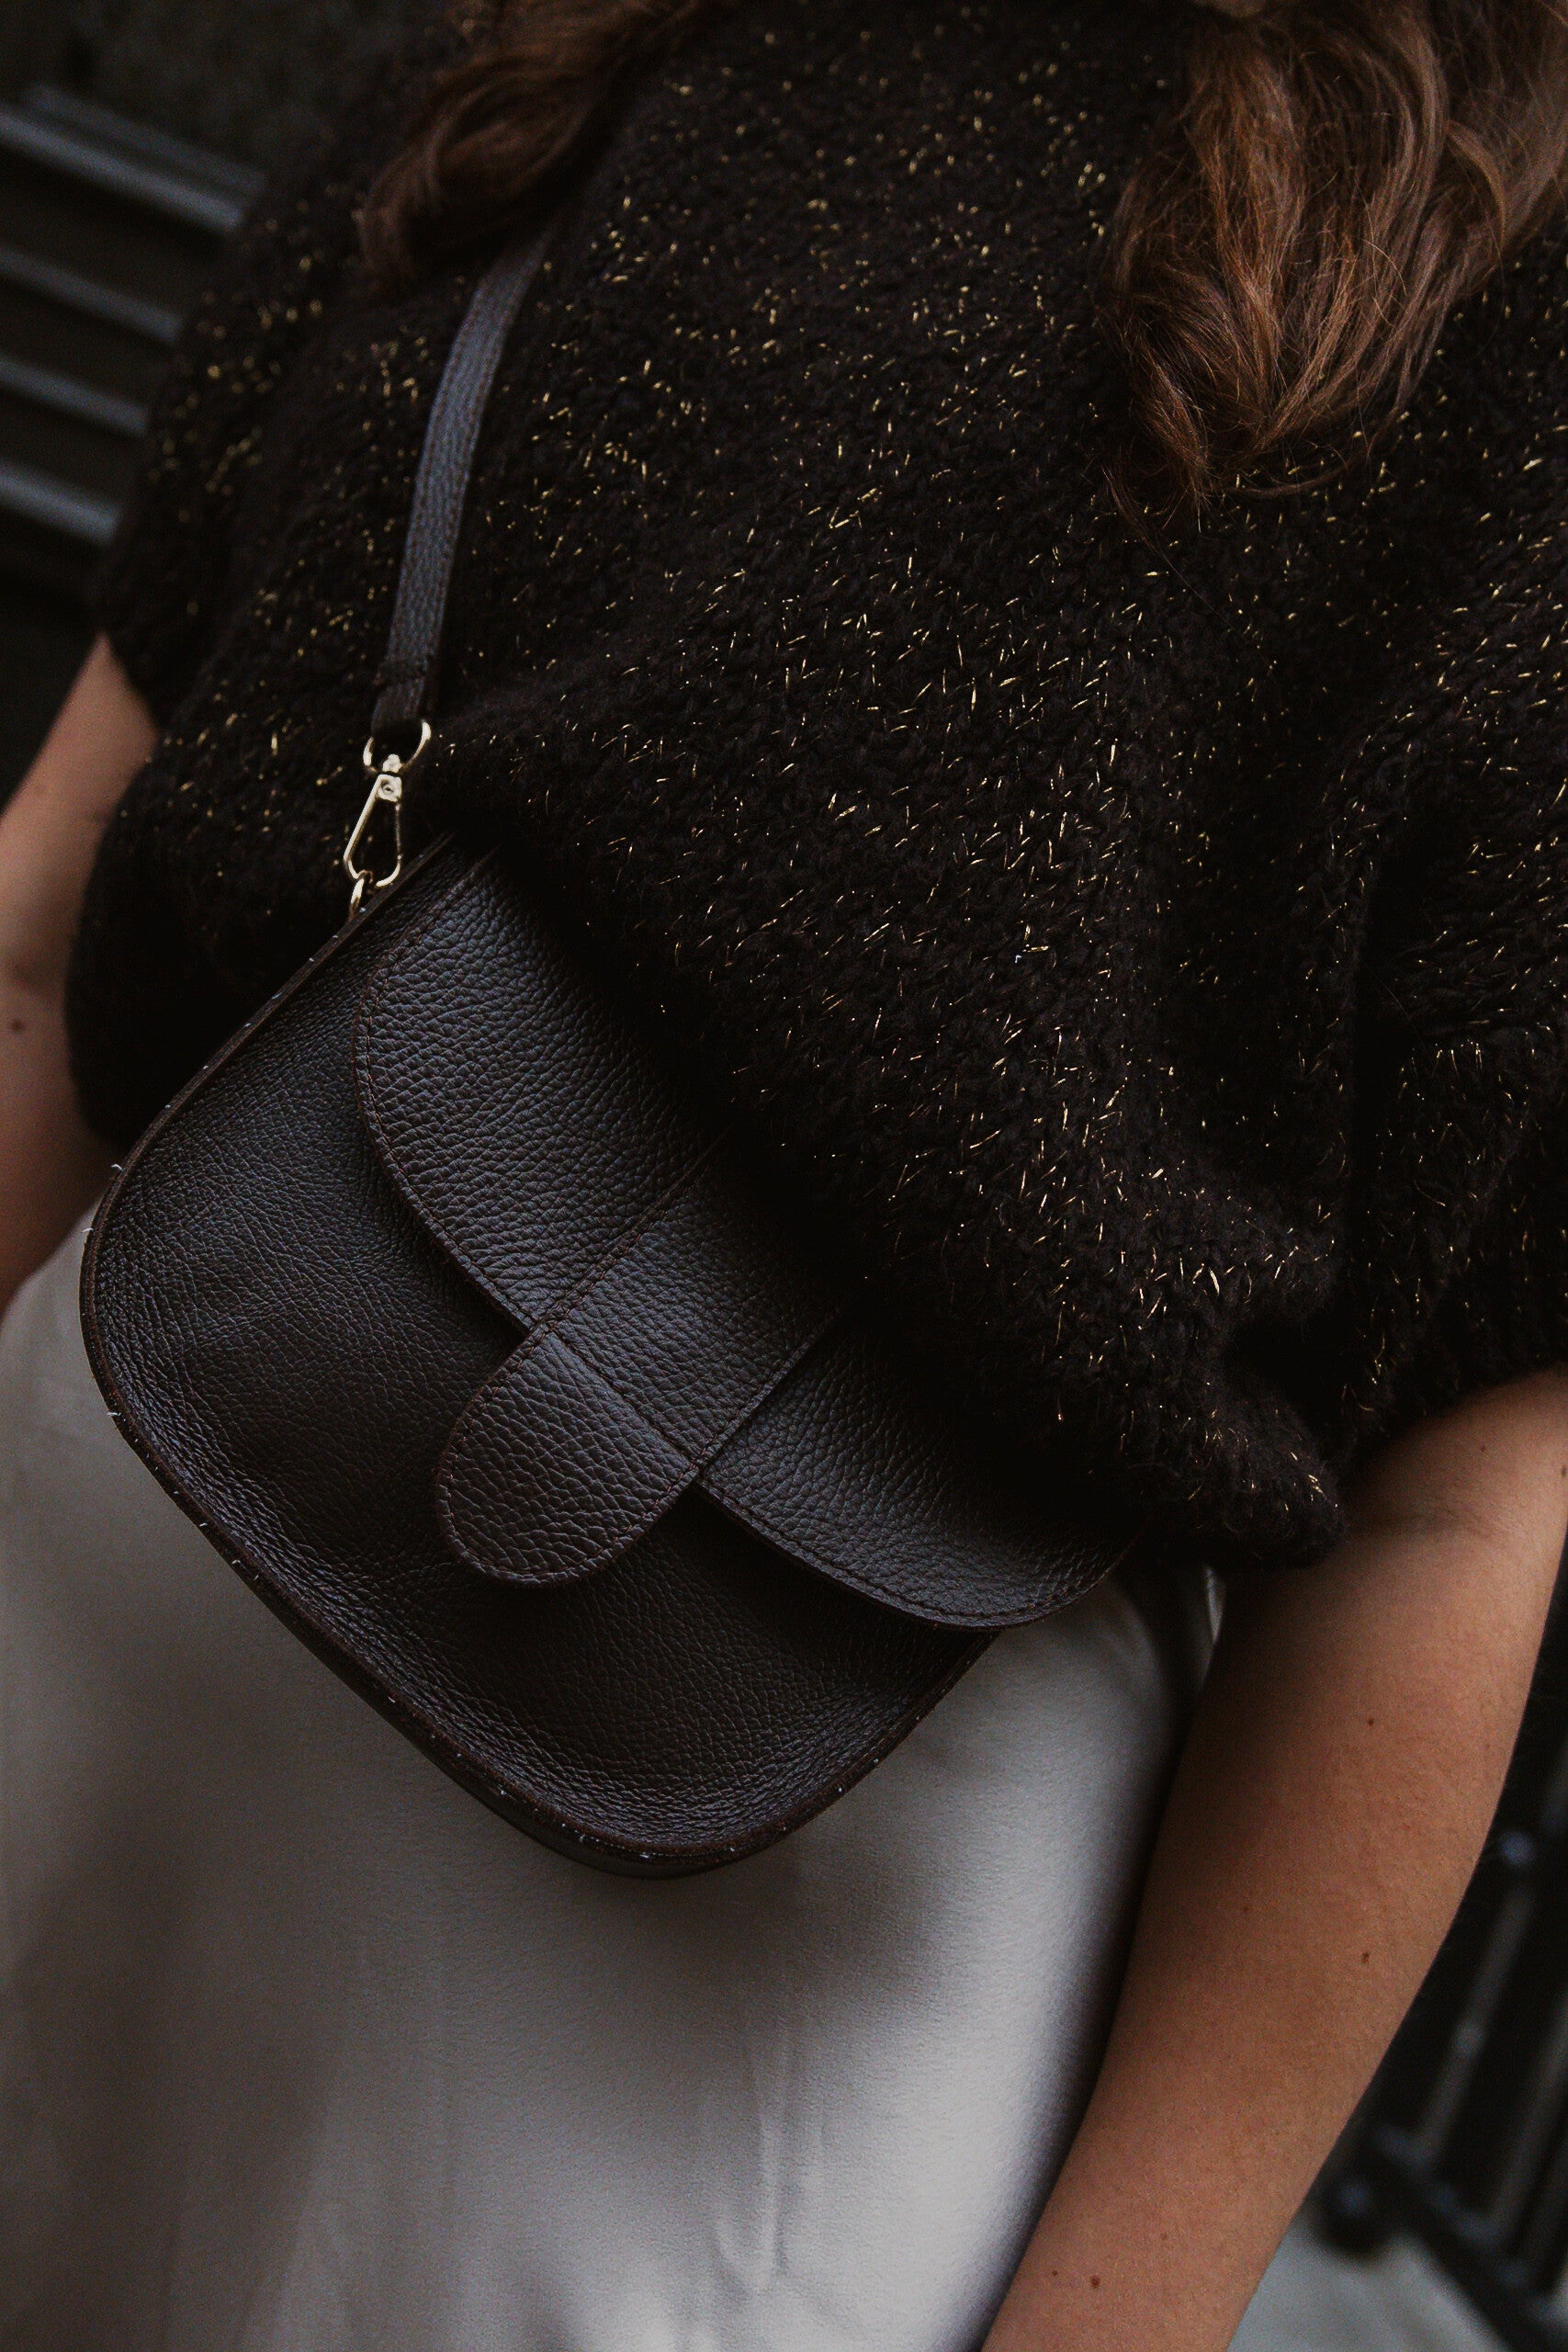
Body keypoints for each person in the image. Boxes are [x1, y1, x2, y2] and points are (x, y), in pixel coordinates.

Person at [3, 1, 1567, 2345]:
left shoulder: (1519, 340)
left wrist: (1119, 2314)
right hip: (90, 1696)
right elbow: (51, 918)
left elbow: (1453, 1507)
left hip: (723, 2022)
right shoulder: (585, 32)